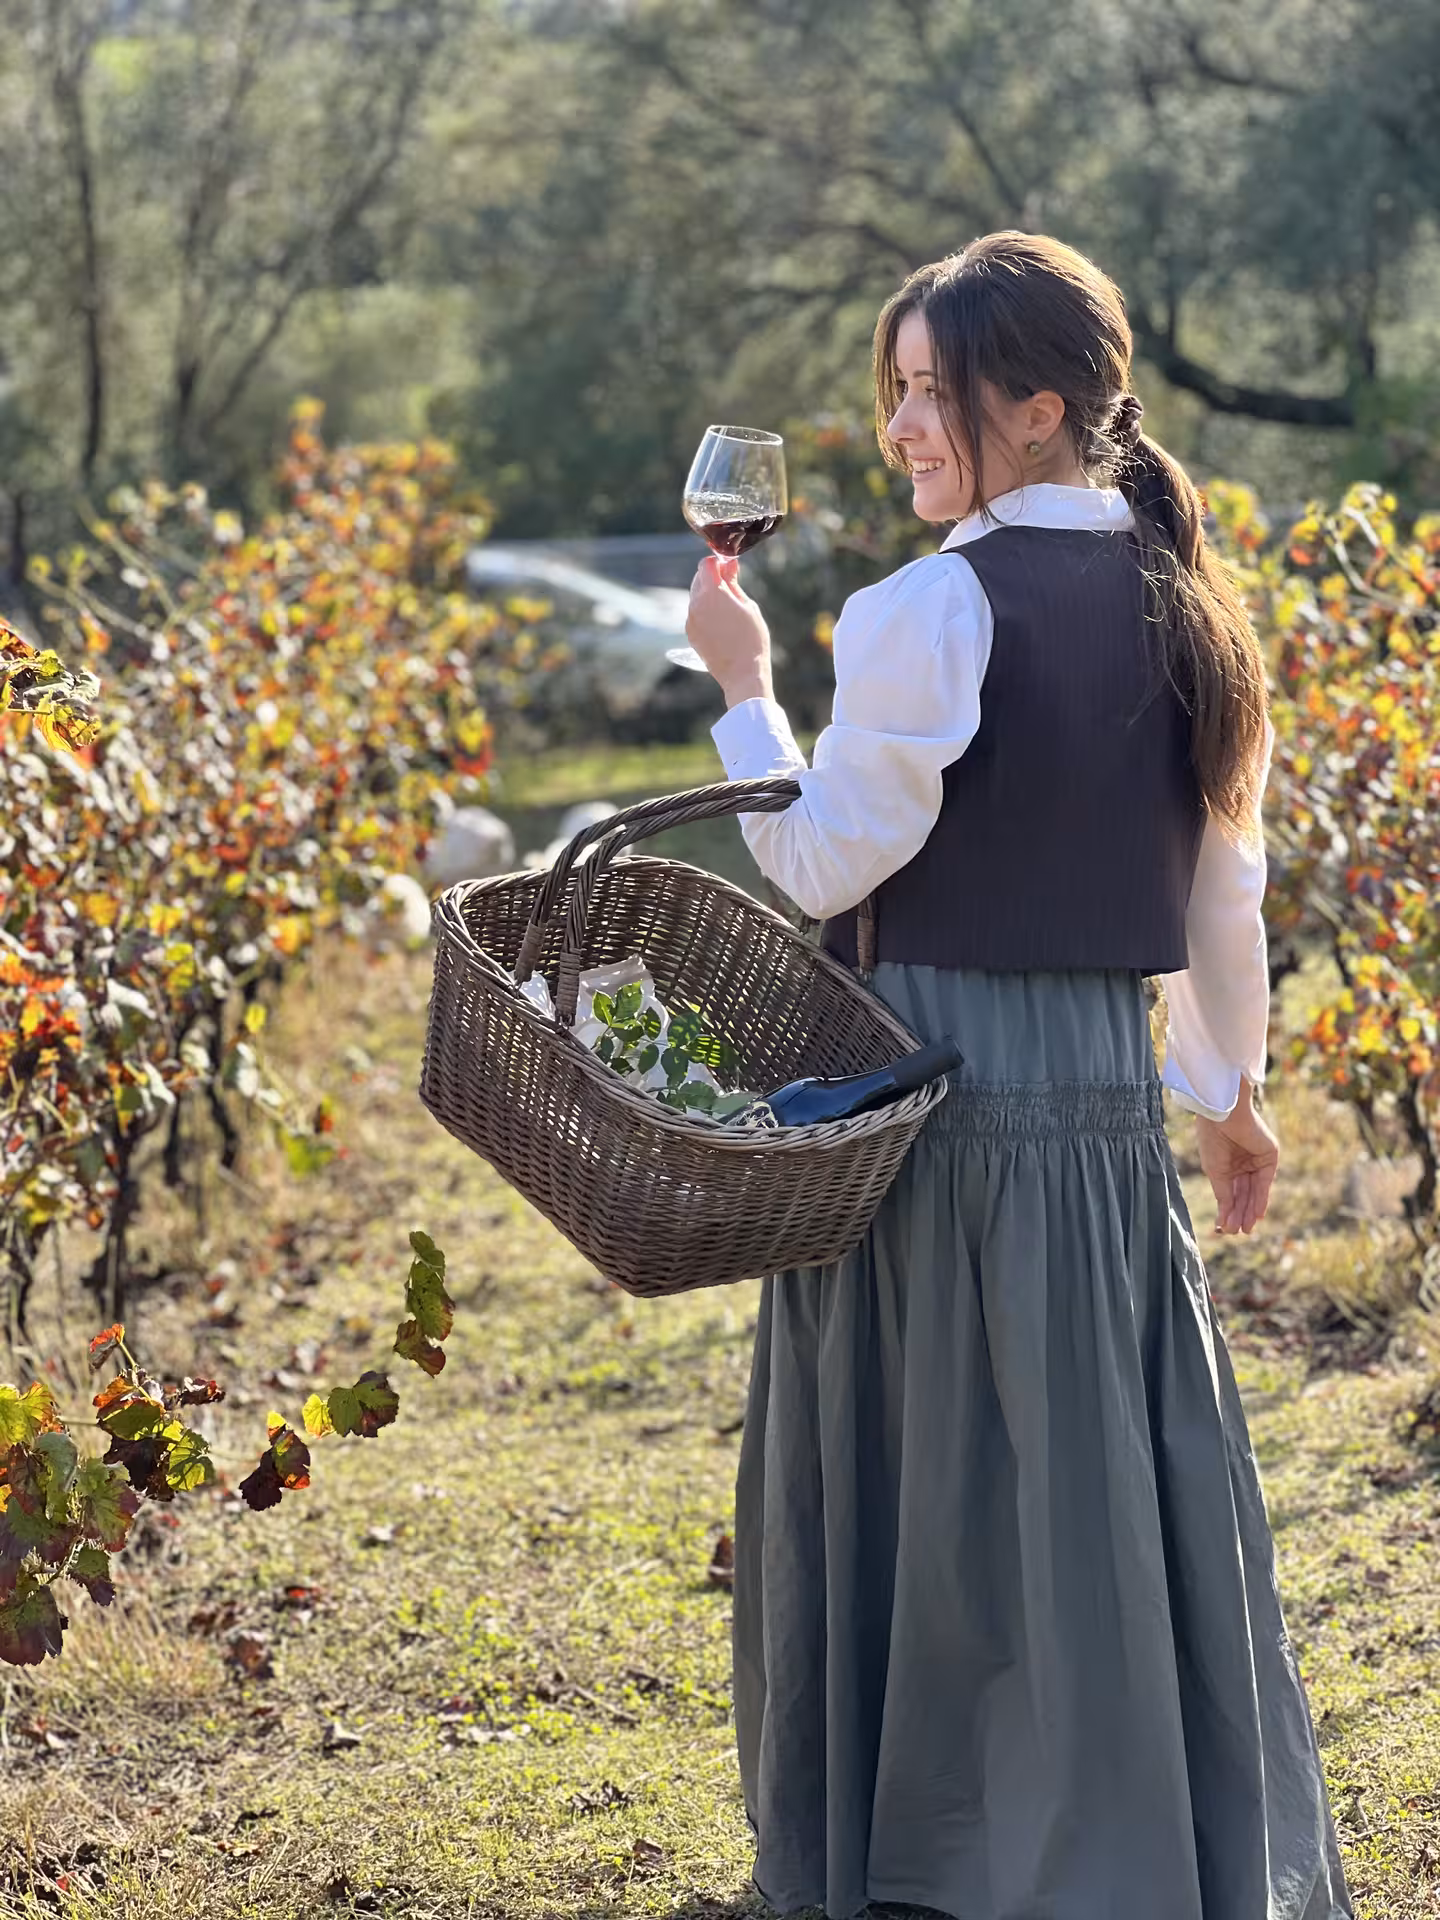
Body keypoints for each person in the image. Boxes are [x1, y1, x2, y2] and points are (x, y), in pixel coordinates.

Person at [682, 231, 1353, 1920]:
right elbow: (1220, 886)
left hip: (922, 1093)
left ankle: (927, 1851)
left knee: (933, 1481)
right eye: (894, 388)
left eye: (934, 393)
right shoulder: (1182, 598)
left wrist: (748, 695)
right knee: (1087, 1490)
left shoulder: (926, 608)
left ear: (1039, 406)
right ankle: (1120, 1852)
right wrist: (1225, 1089)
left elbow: (826, 867)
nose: (904, 425)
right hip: (1096, 1103)